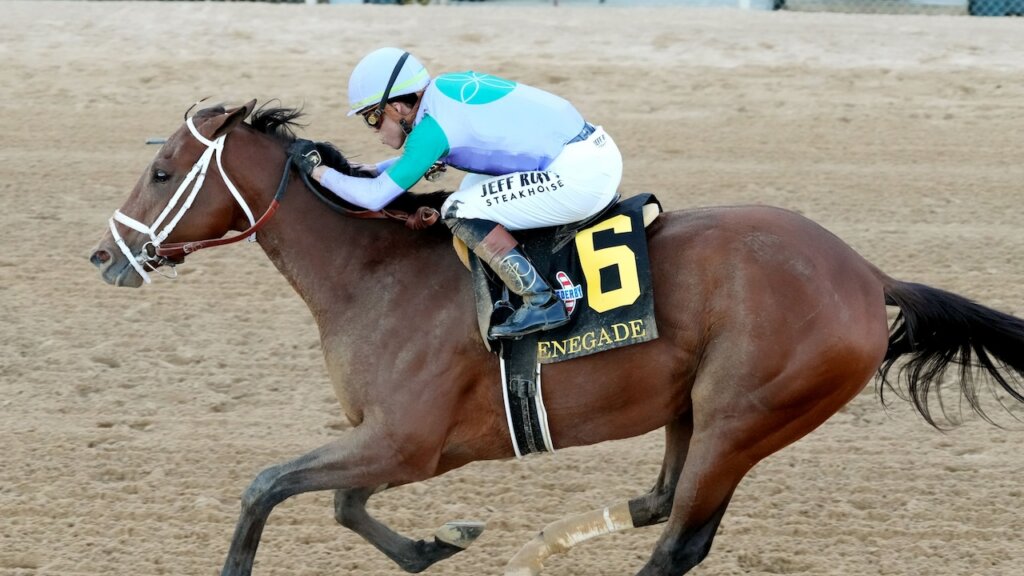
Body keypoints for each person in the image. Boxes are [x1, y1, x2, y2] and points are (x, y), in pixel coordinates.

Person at [296, 47, 623, 339]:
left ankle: (542, 300)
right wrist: (369, 168)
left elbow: (373, 197)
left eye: (372, 118)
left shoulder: (432, 130)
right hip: (592, 149)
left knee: (458, 208)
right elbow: (414, 160)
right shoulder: (441, 90)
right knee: (469, 188)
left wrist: (319, 172)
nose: (374, 129)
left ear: (396, 107)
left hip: (580, 177)